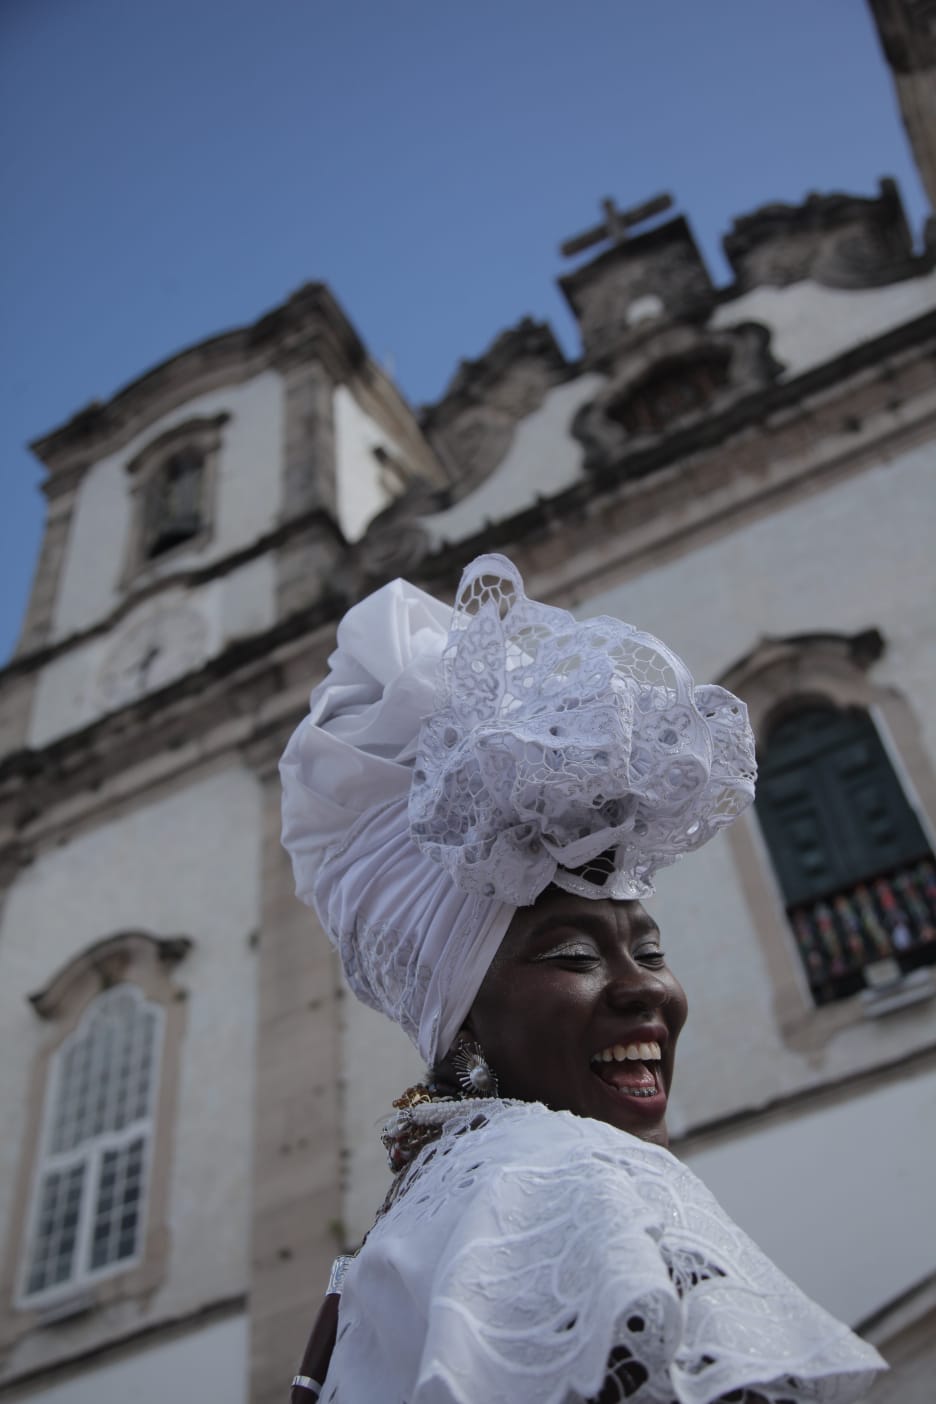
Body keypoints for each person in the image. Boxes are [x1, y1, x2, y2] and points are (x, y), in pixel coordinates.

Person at [280, 553, 885, 1404]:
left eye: (651, 950)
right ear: (460, 1020)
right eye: (571, 956)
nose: (647, 990)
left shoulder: (410, 1227)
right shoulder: (566, 1180)